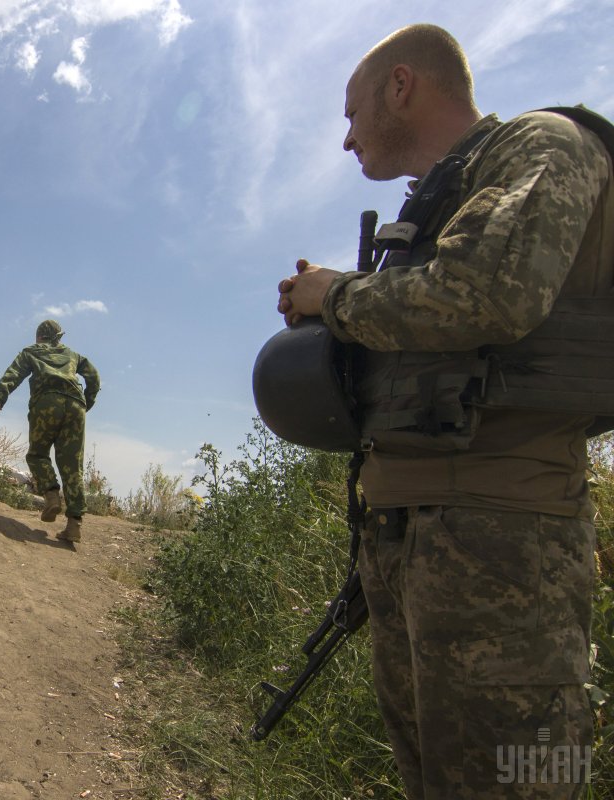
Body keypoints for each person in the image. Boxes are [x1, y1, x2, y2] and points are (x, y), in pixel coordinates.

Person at [276, 24, 609, 798]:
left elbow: (490, 293)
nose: (348, 139)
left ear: (402, 86)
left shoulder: (544, 145)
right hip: (413, 539)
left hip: (504, 539)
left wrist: (339, 297)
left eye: (352, 114)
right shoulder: (447, 201)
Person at [0, 320, 100, 542]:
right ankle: (74, 525)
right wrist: (86, 402)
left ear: (39, 337)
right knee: (72, 465)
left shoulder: (32, 352)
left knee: (38, 455)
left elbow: (13, 374)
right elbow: (94, 378)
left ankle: (51, 496)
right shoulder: (74, 356)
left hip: (46, 403)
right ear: (59, 337)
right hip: (76, 407)